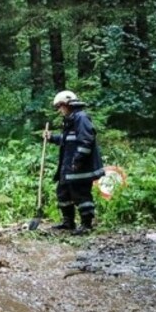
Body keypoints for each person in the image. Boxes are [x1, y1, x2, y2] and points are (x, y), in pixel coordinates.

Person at [44, 90, 105, 235]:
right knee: (63, 193)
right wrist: (52, 138)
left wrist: (78, 160)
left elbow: (86, 141)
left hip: (80, 168)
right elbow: (68, 140)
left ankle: (86, 224)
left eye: (60, 106)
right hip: (68, 167)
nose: (59, 110)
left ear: (67, 104)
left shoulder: (81, 118)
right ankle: (68, 222)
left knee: (81, 195)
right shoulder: (71, 119)